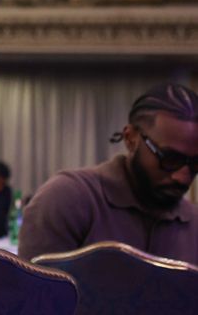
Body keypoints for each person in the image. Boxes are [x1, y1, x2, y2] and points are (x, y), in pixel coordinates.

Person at [19, 83, 198, 264]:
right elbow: (32, 291)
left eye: (195, 163)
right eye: (169, 158)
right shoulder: (68, 198)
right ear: (130, 139)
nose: (182, 177)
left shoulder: (194, 224)